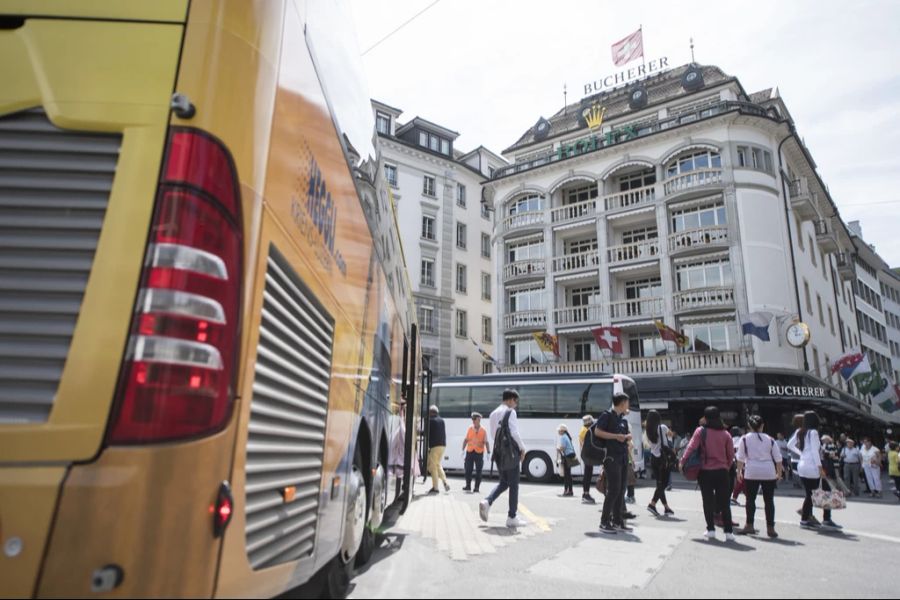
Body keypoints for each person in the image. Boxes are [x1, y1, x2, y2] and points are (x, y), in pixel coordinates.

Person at [681, 406, 736, 542]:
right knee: (724, 503)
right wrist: (726, 467)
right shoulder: (726, 434)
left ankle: (710, 529)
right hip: (722, 472)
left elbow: (691, 447)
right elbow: (731, 456)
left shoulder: (700, 431)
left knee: (707, 501)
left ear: (705, 418)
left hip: (705, 472)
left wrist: (682, 462)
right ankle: (728, 532)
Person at [479, 389, 528, 528]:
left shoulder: (493, 413)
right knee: (514, 485)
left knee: (504, 482)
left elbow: (494, 435)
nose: (516, 405)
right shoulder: (510, 412)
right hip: (511, 454)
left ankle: (487, 502)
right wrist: (522, 448)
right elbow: (514, 433)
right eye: (515, 401)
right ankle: (512, 517)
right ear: (511, 399)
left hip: (499, 453)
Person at [788, 411, 841, 530]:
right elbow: (814, 451)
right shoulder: (813, 432)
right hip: (812, 465)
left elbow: (790, 445)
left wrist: (801, 453)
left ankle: (806, 518)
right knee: (824, 490)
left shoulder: (800, 431)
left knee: (810, 493)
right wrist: (820, 467)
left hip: (802, 465)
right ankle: (825, 519)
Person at [735, 415, 782, 538]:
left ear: (749, 426)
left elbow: (740, 457)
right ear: (762, 426)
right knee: (769, 501)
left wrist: (739, 471)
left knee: (750, 500)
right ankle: (770, 528)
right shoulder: (770, 439)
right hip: (768, 471)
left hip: (752, 470)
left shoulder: (744, 439)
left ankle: (749, 525)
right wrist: (779, 473)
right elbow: (778, 458)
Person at [595, 393, 633, 534]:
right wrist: (616, 436)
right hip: (611, 458)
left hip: (622, 458)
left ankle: (617, 521)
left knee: (621, 490)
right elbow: (598, 431)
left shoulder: (622, 419)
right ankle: (604, 522)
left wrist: (627, 437)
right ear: (622, 403)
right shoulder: (607, 415)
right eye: (627, 402)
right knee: (613, 490)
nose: (628, 405)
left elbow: (626, 436)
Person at [645, 410, 675, 517]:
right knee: (664, 484)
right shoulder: (662, 427)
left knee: (659, 484)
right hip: (663, 458)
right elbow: (671, 436)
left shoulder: (648, 431)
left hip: (654, 459)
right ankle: (652, 504)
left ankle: (666, 508)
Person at [461, 412, 489, 493]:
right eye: (472, 419)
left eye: (474, 419)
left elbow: (486, 442)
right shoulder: (470, 428)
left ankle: (476, 487)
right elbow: (466, 440)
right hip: (470, 452)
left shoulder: (483, 430)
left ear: (479, 420)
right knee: (468, 470)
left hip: (479, 453)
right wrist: (462, 450)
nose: (473, 421)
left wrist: (488, 452)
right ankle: (468, 486)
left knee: (478, 471)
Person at [427, 405, 450, 494]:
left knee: (432, 467)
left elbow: (427, 433)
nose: (428, 414)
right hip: (442, 446)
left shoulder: (431, 421)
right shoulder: (442, 420)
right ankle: (445, 482)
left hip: (435, 446)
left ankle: (435, 488)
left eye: (429, 412)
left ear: (432, 412)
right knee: (437, 465)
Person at [579, 414, 598, 504]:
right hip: (587, 455)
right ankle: (586, 494)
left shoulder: (584, 430)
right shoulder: (586, 431)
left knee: (588, 474)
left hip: (586, 455)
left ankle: (586, 493)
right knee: (587, 474)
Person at [557, 424, 575, 497]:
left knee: (567, 475)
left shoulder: (563, 437)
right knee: (569, 475)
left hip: (567, 456)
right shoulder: (567, 436)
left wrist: (558, 448)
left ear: (562, 431)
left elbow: (563, 447)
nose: (558, 431)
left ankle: (566, 491)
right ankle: (570, 490)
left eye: (559, 430)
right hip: (571, 455)